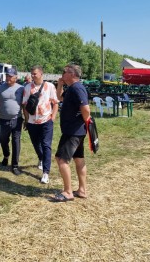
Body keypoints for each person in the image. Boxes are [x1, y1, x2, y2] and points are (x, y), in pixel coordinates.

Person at [51, 64, 91, 202]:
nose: (62, 73)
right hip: (76, 131)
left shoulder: (77, 88)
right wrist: (60, 84)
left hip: (73, 132)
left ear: (72, 74)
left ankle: (68, 192)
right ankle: (82, 190)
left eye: (64, 72)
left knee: (61, 159)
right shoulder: (71, 88)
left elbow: (86, 109)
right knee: (78, 159)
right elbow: (59, 98)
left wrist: (83, 122)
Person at [22, 65, 59, 184]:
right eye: (31, 73)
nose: (33, 76)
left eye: (35, 74)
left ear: (41, 74)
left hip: (46, 121)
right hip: (32, 122)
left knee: (46, 145)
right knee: (36, 143)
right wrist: (27, 120)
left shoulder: (50, 87)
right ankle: (41, 158)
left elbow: (55, 103)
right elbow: (25, 105)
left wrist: (52, 118)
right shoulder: (28, 87)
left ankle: (46, 173)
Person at [0, 68, 24, 175]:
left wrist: (27, 119)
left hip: (17, 119)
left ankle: (14, 166)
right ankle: (6, 155)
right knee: (3, 140)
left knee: (16, 141)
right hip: (3, 120)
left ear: (16, 77)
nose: (8, 78)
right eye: (7, 76)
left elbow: (25, 105)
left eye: (10, 76)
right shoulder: (0, 88)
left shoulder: (21, 89)